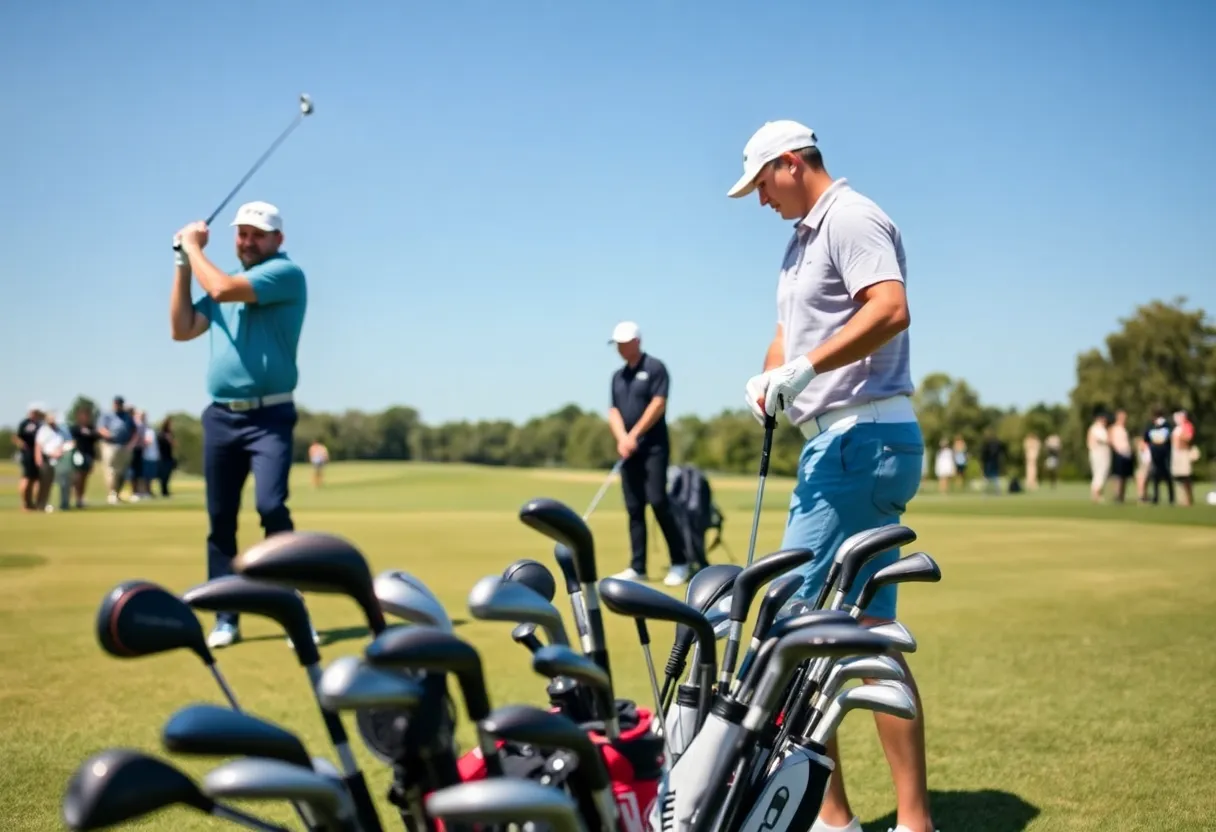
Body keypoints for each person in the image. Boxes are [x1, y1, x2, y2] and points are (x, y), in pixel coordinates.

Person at [729, 119, 933, 832]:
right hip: (844, 445)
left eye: (761, 183)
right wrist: (771, 373)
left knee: (800, 630)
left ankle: (832, 820)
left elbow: (890, 308)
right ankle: (891, 822)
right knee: (866, 631)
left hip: (859, 439)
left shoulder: (850, 218)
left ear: (791, 163)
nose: (759, 200)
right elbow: (794, 333)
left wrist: (807, 369)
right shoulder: (800, 241)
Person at [171, 200, 312, 650]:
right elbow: (181, 327)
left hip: (270, 415)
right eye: (242, 234)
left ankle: (291, 608)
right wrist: (182, 262)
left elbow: (223, 291)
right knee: (220, 520)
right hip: (221, 418)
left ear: (277, 240)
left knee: (271, 507)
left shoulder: (284, 275)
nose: (247, 241)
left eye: (257, 234)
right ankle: (226, 617)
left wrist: (193, 249)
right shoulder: (223, 281)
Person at [606, 321, 692, 586]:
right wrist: (622, 438)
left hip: (654, 448)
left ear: (636, 342)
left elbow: (658, 403)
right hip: (628, 451)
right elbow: (613, 411)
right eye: (617, 344)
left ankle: (680, 562)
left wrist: (634, 435)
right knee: (633, 508)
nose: (620, 348)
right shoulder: (618, 377)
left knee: (657, 501)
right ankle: (637, 566)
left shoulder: (655, 368)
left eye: (624, 343)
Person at [97, 396, 137, 504]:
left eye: (119, 404)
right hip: (110, 446)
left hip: (124, 446)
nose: (117, 405)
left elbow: (134, 431)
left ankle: (117, 494)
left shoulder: (127, 416)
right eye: (116, 403)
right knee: (111, 471)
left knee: (122, 473)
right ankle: (112, 493)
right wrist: (109, 435)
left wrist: (131, 444)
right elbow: (101, 428)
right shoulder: (107, 415)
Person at [14, 403, 44, 511]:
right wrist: (22, 445)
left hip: (39, 454)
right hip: (28, 455)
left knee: (36, 480)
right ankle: (25, 504)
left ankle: (33, 503)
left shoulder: (41, 424)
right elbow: (16, 437)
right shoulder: (24, 423)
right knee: (27, 478)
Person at [69, 404, 98, 508]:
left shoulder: (91, 427)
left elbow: (95, 437)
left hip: (88, 455)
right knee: (77, 477)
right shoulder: (75, 428)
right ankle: (77, 497)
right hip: (77, 456)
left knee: (84, 478)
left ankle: (80, 498)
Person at [1144, 408, 1174, 505]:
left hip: (1165, 454)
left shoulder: (1167, 426)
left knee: (1167, 475)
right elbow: (1146, 438)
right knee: (1156, 476)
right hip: (1155, 454)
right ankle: (1156, 497)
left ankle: (1171, 498)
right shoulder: (1151, 426)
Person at [1108, 410, 1134, 502]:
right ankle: (1117, 494)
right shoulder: (1114, 428)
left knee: (1125, 476)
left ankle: (1122, 495)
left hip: (1126, 454)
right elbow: (1110, 440)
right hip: (1119, 453)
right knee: (1118, 476)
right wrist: (1117, 450)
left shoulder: (1124, 429)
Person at [1171, 409, 1196, 507]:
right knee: (1178, 477)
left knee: (1185, 476)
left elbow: (1188, 438)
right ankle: (1181, 499)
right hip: (1176, 453)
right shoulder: (1177, 428)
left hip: (1184, 453)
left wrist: (1180, 438)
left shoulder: (1187, 426)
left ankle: (1188, 499)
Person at [1086, 412, 1111, 502]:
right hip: (1099, 453)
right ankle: (1096, 494)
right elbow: (1105, 440)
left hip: (1100, 453)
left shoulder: (1099, 428)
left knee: (1101, 473)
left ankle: (1097, 494)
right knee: (1099, 473)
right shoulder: (1096, 428)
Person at [157, 417, 177, 497]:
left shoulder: (170, 434)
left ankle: (166, 491)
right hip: (162, 457)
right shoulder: (161, 434)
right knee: (163, 476)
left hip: (169, 457)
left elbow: (174, 444)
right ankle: (163, 491)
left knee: (168, 475)